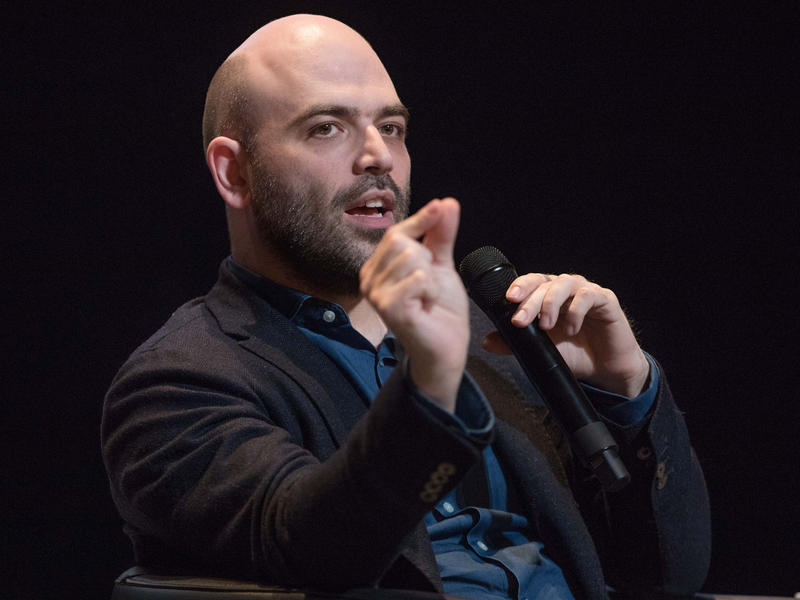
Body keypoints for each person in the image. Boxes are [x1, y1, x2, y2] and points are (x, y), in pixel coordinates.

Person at [102, 14, 711, 600]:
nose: (379, 157)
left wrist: (626, 388)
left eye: (391, 127)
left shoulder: (492, 340)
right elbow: (310, 543)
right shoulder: (178, 382)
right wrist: (431, 386)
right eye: (326, 128)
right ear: (234, 172)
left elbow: (668, 578)